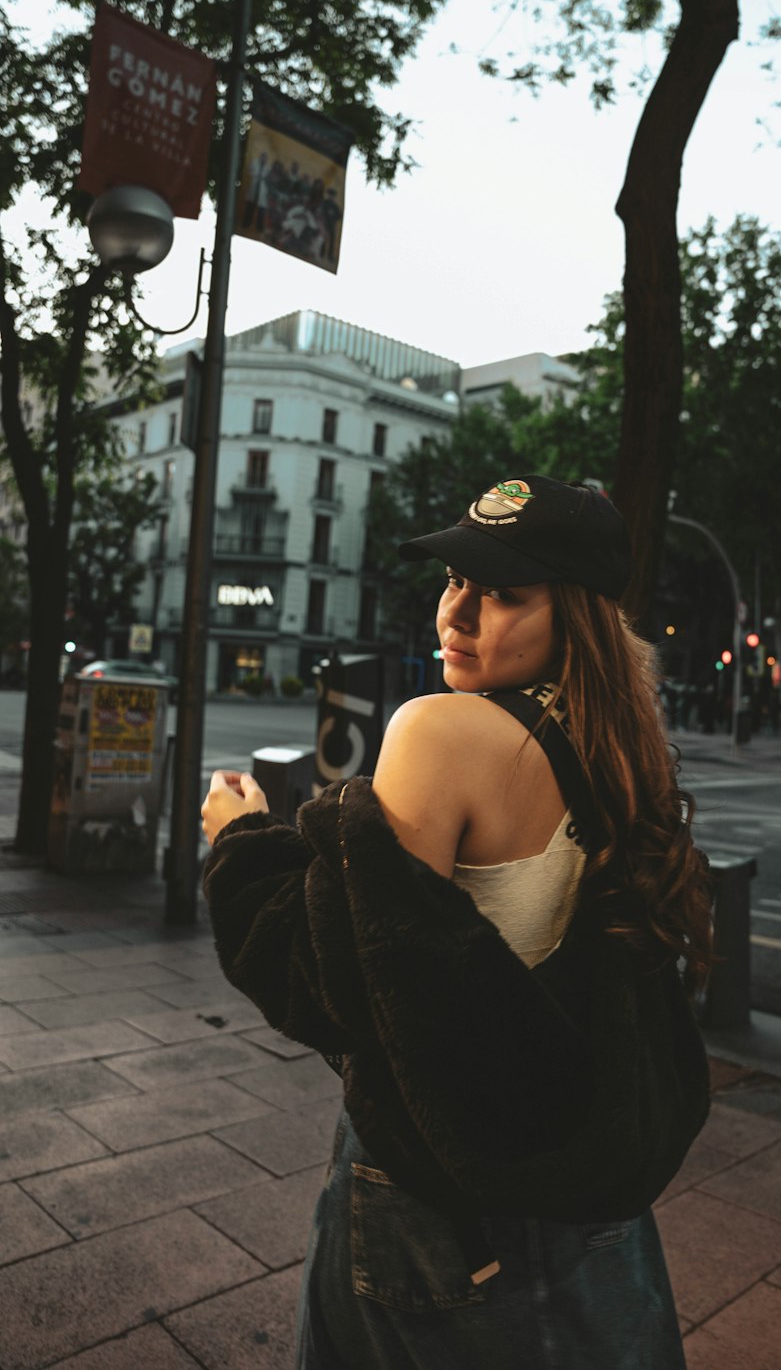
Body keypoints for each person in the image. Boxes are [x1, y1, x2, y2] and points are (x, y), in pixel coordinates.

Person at [200, 474, 712, 1370]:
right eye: (454, 580)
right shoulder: (618, 751)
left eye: (505, 593)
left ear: (576, 616)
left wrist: (240, 841)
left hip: (433, 1208)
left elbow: (332, 982)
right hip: (585, 1198)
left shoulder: (439, 732)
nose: (459, 613)